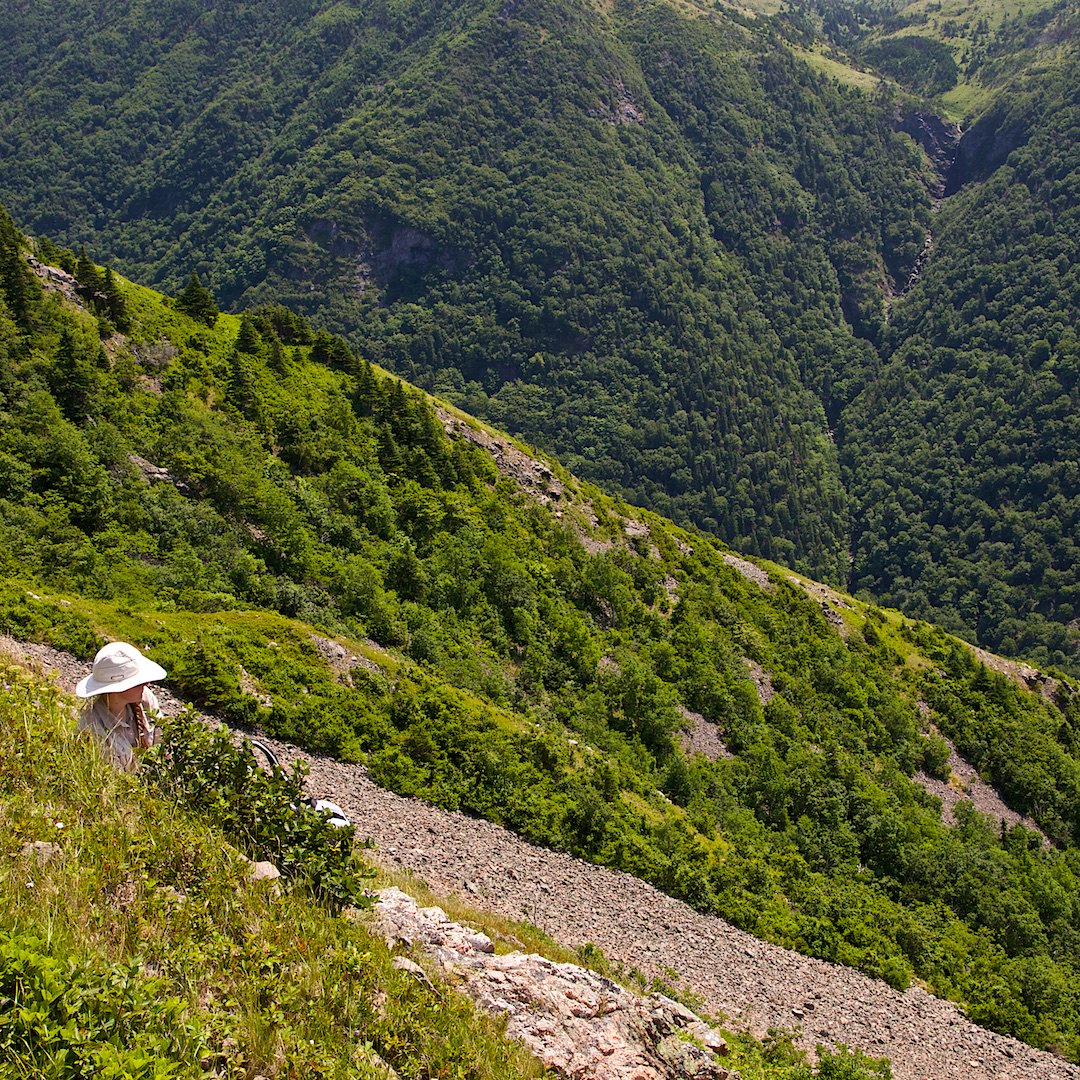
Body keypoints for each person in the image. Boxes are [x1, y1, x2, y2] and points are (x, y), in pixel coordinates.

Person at [75, 641, 167, 770]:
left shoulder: (145, 698)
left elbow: (164, 744)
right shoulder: (90, 728)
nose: (146, 684)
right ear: (116, 688)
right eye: (138, 682)